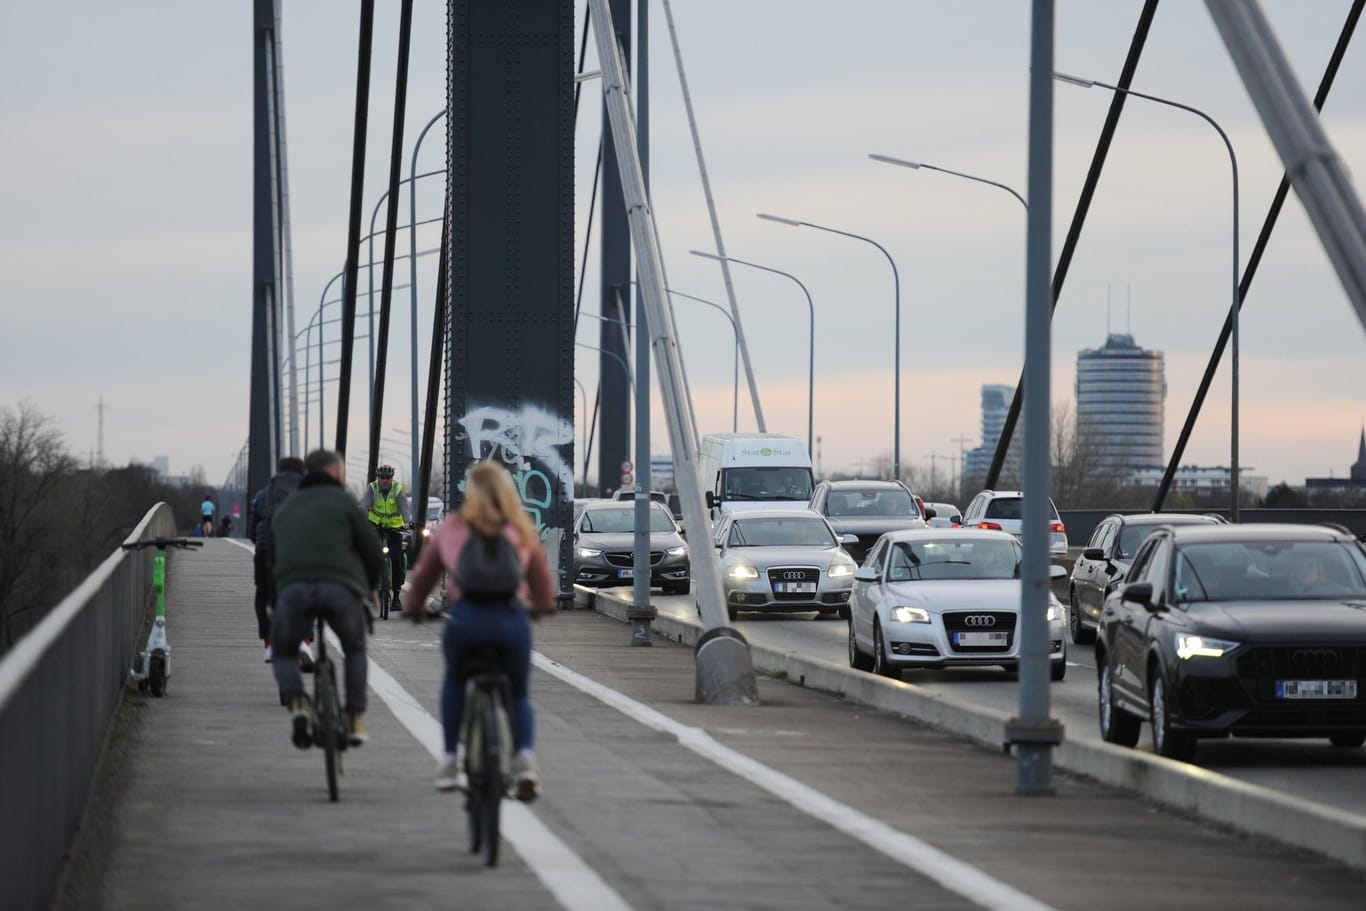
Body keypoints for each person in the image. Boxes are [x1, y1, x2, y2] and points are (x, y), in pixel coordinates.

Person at [403, 461, 555, 800]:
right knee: (518, 693)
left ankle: (450, 760)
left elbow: (423, 577)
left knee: (456, 679)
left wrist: (415, 608)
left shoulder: (454, 527)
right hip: (510, 621)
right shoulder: (521, 528)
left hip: (467, 620)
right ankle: (526, 760)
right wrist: (542, 607)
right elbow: (543, 586)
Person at [270, 449, 384, 750]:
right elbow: (372, 551)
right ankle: (355, 718)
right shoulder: (345, 503)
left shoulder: (287, 508)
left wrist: (273, 601)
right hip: (340, 590)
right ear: (334, 473)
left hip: (294, 591)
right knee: (355, 649)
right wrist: (371, 587)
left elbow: (271, 558)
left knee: (282, 651)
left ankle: (298, 702)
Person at [250, 456, 307, 665]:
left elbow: (252, 532)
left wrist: (262, 545)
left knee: (264, 594)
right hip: (299, 551)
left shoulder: (263, 494)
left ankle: (269, 644)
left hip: (267, 550)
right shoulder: (307, 490)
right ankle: (305, 641)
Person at [360, 464, 413, 605]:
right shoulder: (372, 488)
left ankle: (396, 596)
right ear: (378, 478)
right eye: (382, 478)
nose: (385, 480)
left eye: (388, 478)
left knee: (396, 559)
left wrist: (408, 523)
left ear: (391, 478)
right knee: (372, 556)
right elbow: (364, 505)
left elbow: (404, 508)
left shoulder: (397, 489)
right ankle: (373, 587)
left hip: (395, 528)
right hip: (376, 526)